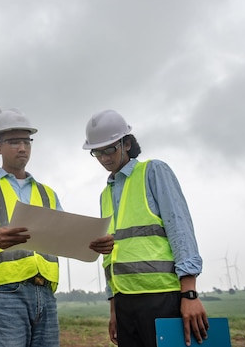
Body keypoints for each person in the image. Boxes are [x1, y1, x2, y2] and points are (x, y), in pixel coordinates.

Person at [0, 108, 113, 347]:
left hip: (46, 296)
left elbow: (68, 237)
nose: (22, 148)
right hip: (4, 295)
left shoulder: (47, 193)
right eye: (14, 142)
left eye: (27, 141)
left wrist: (95, 243)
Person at [82, 109, 209, 347]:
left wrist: (189, 293)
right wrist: (113, 308)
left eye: (109, 149)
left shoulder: (153, 171)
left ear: (127, 143)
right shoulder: (105, 194)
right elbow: (111, 257)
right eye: (97, 152)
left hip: (161, 297)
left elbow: (180, 229)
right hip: (124, 303)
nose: (104, 158)